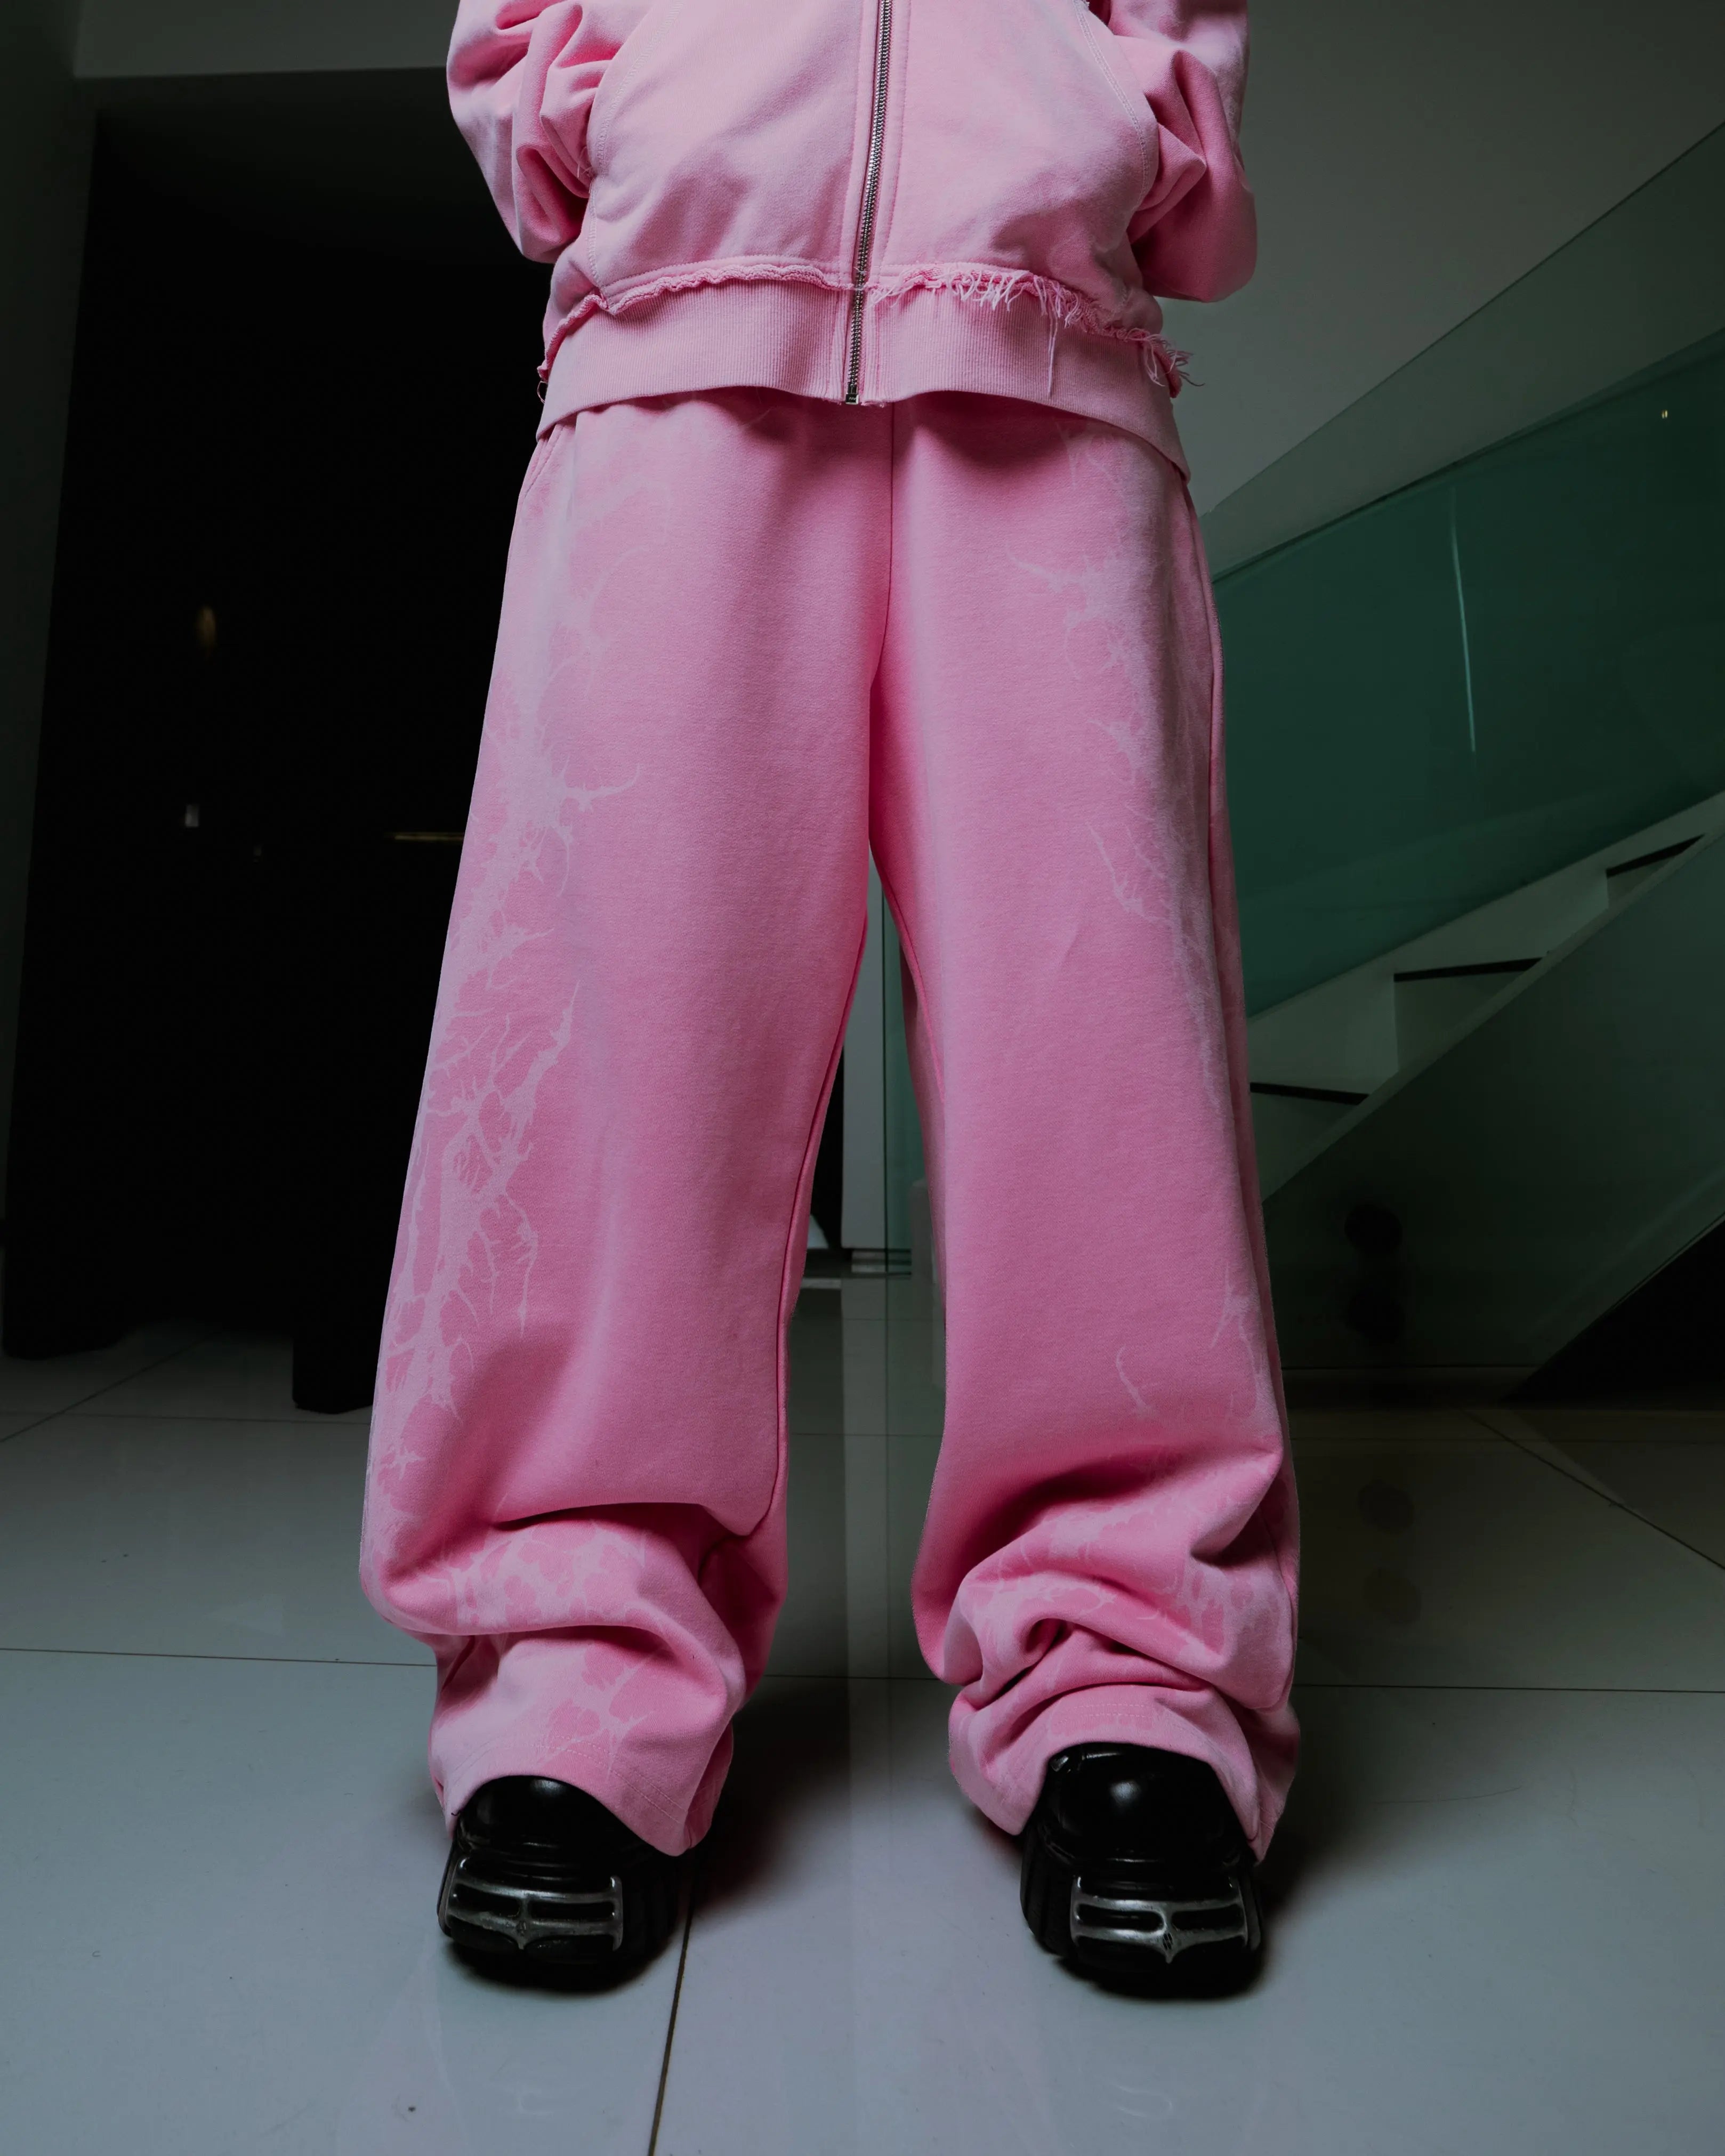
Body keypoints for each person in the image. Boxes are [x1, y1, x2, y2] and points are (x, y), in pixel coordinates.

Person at [360, 0, 1297, 1994]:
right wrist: (620, 107)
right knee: (609, 1055)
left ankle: (1130, 1674)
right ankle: (577, 1672)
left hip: (1045, 346)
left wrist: (1115, 123)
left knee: (1104, 1079)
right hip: (674, 341)